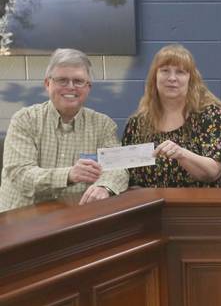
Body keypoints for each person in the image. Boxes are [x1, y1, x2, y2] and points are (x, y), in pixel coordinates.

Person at [0, 49, 128, 212]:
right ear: (47, 84)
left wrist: (104, 187)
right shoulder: (25, 120)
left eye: (78, 81)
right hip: (22, 219)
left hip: (75, 218)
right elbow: (20, 174)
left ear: (88, 87)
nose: (70, 87)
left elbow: (118, 168)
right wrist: (68, 175)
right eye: (62, 80)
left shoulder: (103, 125)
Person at [123, 44, 221, 188]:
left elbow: (213, 172)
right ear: (154, 77)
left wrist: (182, 154)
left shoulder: (210, 116)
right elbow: (126, 174)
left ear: (191, 79)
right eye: (165, 71)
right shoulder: (137, 124)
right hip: (151, 206)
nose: (172, 78)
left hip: (202, 205)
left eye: (180, 72)